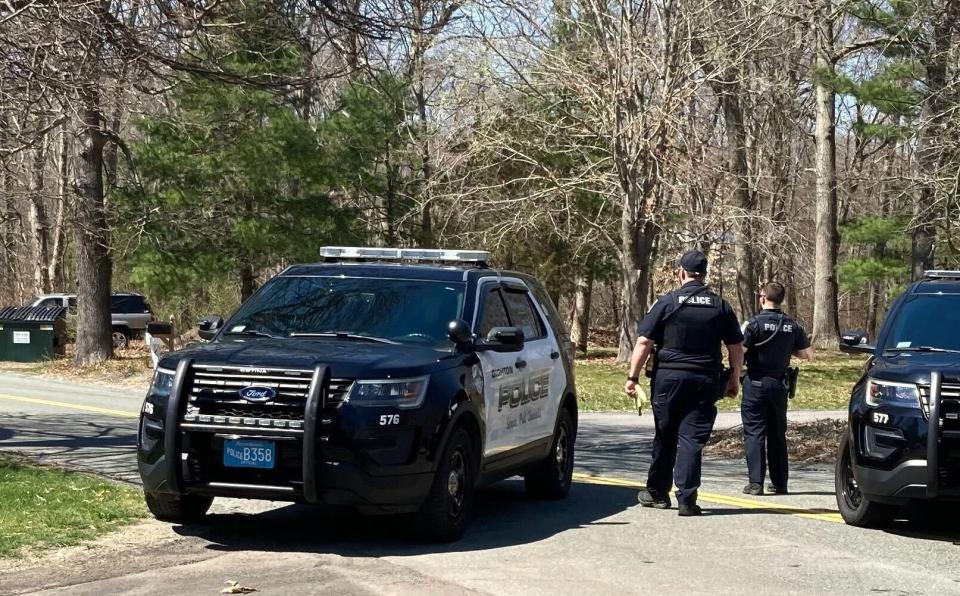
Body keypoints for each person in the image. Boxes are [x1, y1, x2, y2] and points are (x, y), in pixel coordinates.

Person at [625, 250, 745, 517]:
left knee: (665, 435)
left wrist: (632, 378)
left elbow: (644, 342)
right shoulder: (720, 305)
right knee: (691, 440)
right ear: (705, 275)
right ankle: (687, 499)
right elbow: (736, 346)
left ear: (681, 273)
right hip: (704, 379)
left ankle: (657, 494)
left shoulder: (666, 303)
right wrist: (734, 377)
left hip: (669, 379)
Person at [740, 282, 814, 496]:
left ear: (763, 298)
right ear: (781, 299)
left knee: (754, 433)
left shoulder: (753, 324)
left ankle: (756, 483)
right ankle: (780, 483)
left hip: (756, 383)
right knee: (777, 434)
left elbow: (740, 350)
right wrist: (786, 350)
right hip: (780, 385)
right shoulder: (792, 325)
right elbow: (807, 354)